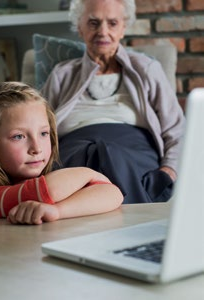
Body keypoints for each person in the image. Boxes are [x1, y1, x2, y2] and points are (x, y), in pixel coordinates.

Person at [41, 0, 185, 204]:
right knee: (93, 156)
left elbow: (177, 130)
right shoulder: (62, 74)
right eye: (93, 22)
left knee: (109, 154)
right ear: (79, 28)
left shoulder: (147, 69)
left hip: (134, 155)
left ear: (123, 28)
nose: (103, 31)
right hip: (73, 153)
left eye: (112, 23)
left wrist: (169, 171)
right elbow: (38, 125)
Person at [0, 82, 123, 225]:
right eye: (19, 136)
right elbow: (48, 189)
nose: (36, 148)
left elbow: (113, 194)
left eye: (43, 133)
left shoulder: (61, 187)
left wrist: (56, 211)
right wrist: (87, 173)